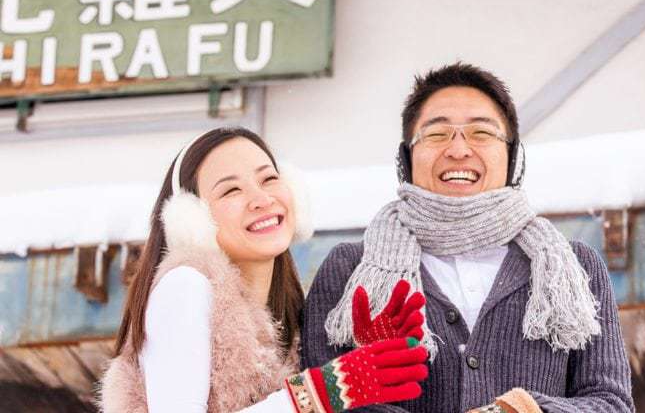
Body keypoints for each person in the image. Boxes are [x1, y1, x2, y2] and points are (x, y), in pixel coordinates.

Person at [302, 63, 634, 413]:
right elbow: (323, 405)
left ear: (512, 158)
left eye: (481, 133)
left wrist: (525, 410)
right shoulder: (350, 269)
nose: (459, 150)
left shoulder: (575, 268)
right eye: (436, 134)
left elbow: (610, 404)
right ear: (405, 158)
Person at [100, 126, 429, 413]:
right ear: (192, 219)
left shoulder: (285, 317)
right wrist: (323, 391)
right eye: (231, 189)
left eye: (269, 179)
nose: (261, 199)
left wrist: (363, 356)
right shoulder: (186, 286)